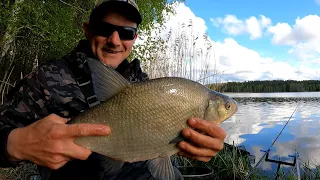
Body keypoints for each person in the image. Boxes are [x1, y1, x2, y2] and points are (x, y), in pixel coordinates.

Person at [0, 0, 227, 179]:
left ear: (135, 38)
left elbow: (161, 147)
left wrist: (195, 147)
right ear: (88, 30)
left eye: (126, 32)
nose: (115, 40)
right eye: (104, 29)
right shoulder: (46, 79)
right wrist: (15, 145)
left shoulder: (142, 83)